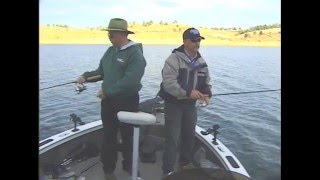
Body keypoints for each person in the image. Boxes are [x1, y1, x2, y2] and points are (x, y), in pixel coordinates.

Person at [75, 18, 146, 180]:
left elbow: (131, 81)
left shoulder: (135, 54)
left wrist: (108, 91)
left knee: (129, 137)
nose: (109, 36)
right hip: (108, 103)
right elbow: (101, 72)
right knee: (108, 136)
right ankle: (108, 169)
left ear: (122, 34)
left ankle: (129, 167)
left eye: (111, 33)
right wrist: (85, 77)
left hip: (128, 101)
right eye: (108, 33)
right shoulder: (109, 51)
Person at [158, 27, 212, 176]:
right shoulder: (173, 59)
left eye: (199, 40)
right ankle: (167, 171)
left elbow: (205, 81)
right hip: (173, 104)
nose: (197, 43)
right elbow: (169, 84)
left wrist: (207, 94)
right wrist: (189, 92)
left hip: (190, 106)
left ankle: (184, 164)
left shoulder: (201, 61)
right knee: (172, 139)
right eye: (194, 40)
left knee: (189, 136)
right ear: (185, 41)